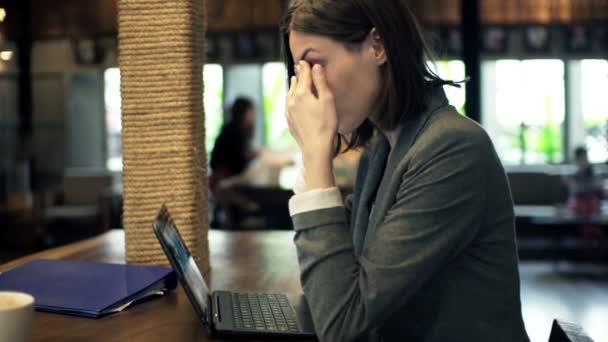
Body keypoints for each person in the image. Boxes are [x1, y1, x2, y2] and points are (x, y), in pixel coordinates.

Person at [281, 1, 529, 341]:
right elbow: (339, 278)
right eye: (301, 71)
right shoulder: (383, 147)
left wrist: (315, 155)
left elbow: (341, 322)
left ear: (378, 46)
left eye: (315, 65)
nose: (307, 89)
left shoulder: (453, 148)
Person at [209, 97, 258, 228]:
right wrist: (252, 155)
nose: (254, 115)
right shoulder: (232, 131)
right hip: (223, 179)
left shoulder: (236, 130)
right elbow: (236, 162)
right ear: (244, 112)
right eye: (251, 111)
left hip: (226, 178)